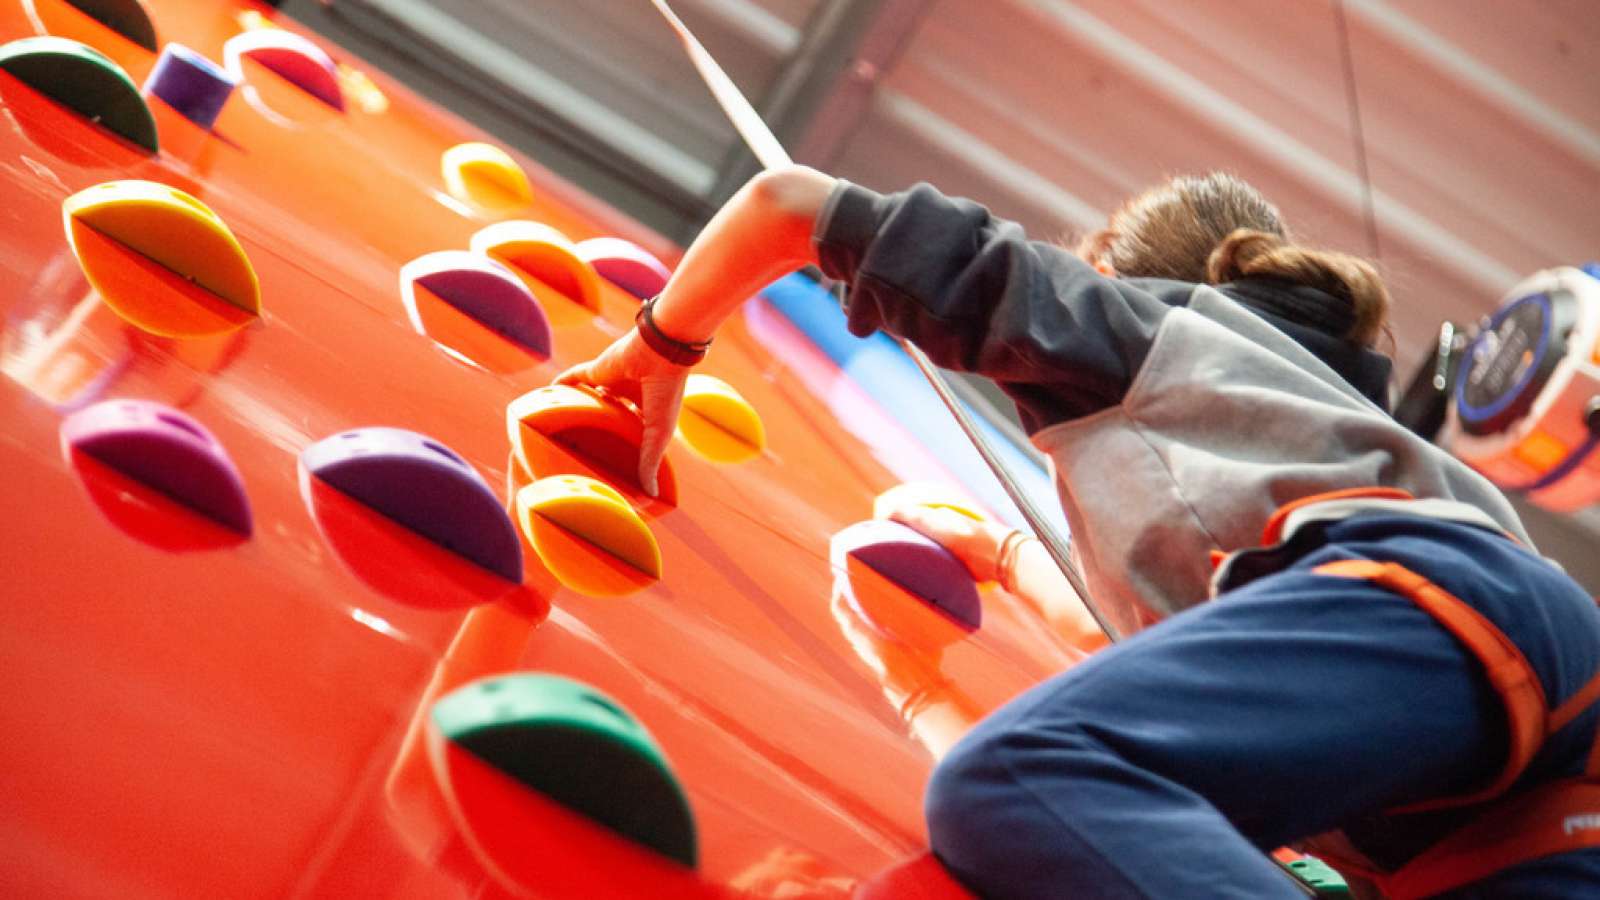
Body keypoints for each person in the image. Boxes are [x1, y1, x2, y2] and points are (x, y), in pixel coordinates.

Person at [556, 167, 1600, 898]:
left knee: (1017, 781)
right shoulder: (1312, 439)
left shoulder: (1147, 332)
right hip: (1525, 781)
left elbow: (787, 204)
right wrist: (1003, 563)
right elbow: (1149, 643)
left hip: (1445, 628)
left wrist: (659, 346)